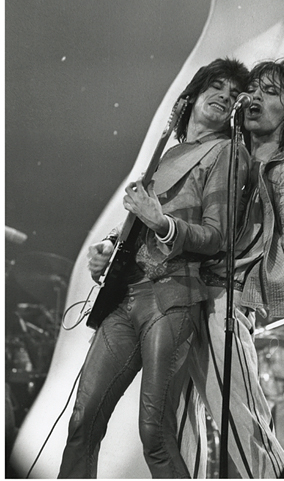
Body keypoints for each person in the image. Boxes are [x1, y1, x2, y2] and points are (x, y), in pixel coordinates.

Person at [58, 58, 251, 479]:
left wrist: (162, 223)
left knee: (155, 434)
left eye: (234, 94)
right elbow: (138, 219)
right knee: (81, 422)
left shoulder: (228, 153)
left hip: (171, 301)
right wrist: (108, 246)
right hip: (125, 297)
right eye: (216, 86)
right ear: (195, 95)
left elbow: (217, 235)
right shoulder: (170, 153)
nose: (224, 96)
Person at [178, 58, 284, 478]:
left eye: (270, 92)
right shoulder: (227, 160)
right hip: (182, 295)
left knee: (244, 427)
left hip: (222, 305)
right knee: (174, 428)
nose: (255, 97)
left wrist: (248, 280)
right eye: (253, 89)